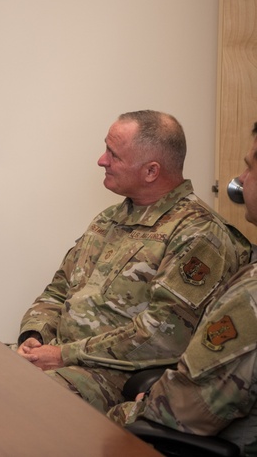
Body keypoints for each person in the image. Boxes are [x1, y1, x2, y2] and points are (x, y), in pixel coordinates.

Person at [15, 110, 251, 413]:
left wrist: (62, 354)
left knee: (16, 401)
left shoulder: (198, 234)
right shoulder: (108, 220)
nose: (101, 160)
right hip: (56, 355)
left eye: (113, 155)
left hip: (112, 374)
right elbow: (58, 291)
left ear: (151, 171)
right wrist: (34, 336)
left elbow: (163, 334)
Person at [107, 122, 257, 453]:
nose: (241, 179)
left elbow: (185, 411)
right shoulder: (109, 219)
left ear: (151, 170)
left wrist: (131, 409)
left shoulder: (249, 292)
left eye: (250, 166)